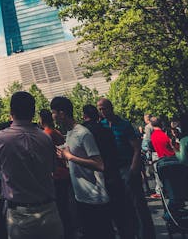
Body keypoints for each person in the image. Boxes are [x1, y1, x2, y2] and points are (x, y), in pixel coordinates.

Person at [0, 91, 63, 239]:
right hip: (49, 210)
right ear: (33, 111)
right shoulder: (45, 138)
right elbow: (53, 168)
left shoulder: (2, 138)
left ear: (11, 112)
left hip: (19, 214)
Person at [49, 97, 111, 238]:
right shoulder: (70, 133)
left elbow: (99, 164)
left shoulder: (83, 133)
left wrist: (70, 157)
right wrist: (65, 157)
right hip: (81, 197)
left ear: (62, 113)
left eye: (54, 112)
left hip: (95, 197)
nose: (53, 116)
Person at [97, 98, 155, 239]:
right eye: (99, 109)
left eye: (104, 108)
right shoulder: (101, 125)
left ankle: (146, 235)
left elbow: (136, 148)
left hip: (127, 167)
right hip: (113, 170)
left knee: (138, 204)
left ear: (111, 108)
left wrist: (134, 168)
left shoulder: (124, 125)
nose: (102, 111)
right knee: (124, 206)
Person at [81, 104, 133, 239]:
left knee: (103, 222)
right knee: (122, 217)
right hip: (113, 175)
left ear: (84, 116)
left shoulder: (83, 132)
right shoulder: (106, 130)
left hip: (96, 180)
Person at [38, 109, 73, 239]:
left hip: (56, 175)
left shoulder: (45, 134)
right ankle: (70, 231)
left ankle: (65, 233)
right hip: (64, 172)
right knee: (66, 206)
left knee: (60, 208)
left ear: (42, 119)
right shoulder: (57, 132)